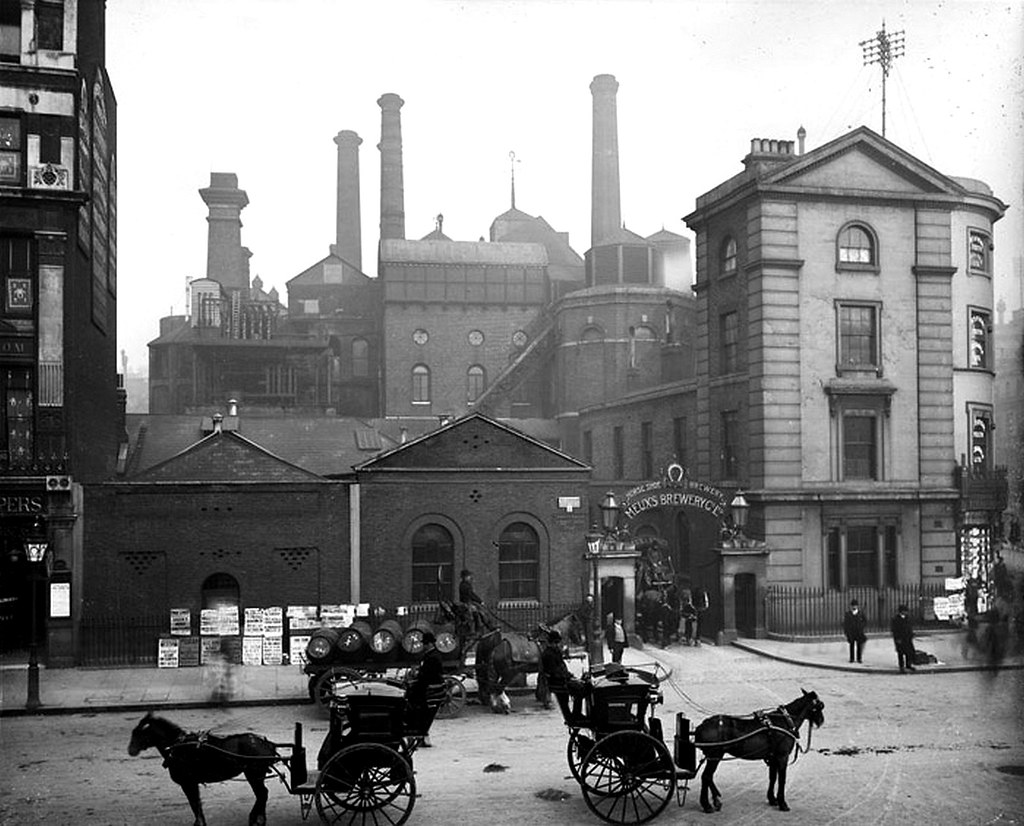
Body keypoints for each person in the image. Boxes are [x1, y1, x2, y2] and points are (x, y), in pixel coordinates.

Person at [405, 631, 445, 745]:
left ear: (429, 644)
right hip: (426, 683)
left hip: (429, 687)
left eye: (425, 644)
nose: (424, 646)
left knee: (411, 701)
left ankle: (415, 732)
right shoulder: (430, 655)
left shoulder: (432, 657)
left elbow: (426, 676)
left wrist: (414, 681)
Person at [540, 629, 589, 715]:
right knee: (581, 690)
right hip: (558, 682)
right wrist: (569, 677)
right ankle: (576, 714)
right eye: (558, 643)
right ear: (554, 642)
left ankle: (576, 714)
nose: (559, 645)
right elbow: (555, 671)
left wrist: (570, 676)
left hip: (561, 679)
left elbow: (561, 668)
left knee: (582, 686)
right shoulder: (549, 654)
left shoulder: (554, 652)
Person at [890, 604, 916, 673]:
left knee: (908, 652)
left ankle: (908, 664)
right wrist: (897, 638)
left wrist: (911, 634)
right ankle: (901, 666)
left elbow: (910, 627)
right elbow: (894, 630)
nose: (906, 612)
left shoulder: (908, 618)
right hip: (900, 638)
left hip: (907, 638)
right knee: (900, 653)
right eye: (905, 611)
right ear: (901, 611)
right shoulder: (895, 619)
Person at [842, 598, 868, 663]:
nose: (854, 607)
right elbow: (845, 624)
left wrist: (861, 626)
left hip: (859, 631)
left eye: (855, 605)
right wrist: (846, 632)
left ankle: (859, 658)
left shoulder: (860, 613)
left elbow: (865, 621)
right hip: (851, 632)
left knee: (859, 645)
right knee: (851, 645)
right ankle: (852, 658)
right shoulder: (848, 614)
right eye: (853, 605)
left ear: (857, 606)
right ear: (851, 606)